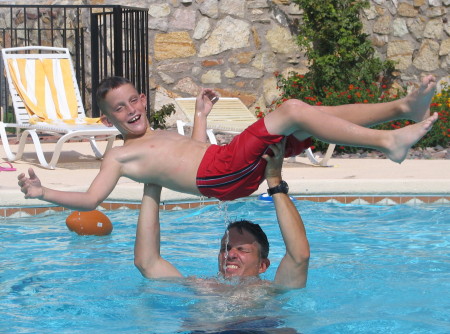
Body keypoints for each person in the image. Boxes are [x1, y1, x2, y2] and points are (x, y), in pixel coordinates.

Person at [17, 75, 438, 208]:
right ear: (107, 118)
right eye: (119, 109)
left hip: (224, 168)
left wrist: (200, 117)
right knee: (290, 108)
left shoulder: (160, 133)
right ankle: (389, 143)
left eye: (133, 101)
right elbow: (92, 200)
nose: (130, 111)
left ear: (143, 99)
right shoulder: (120, 154)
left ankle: (402, 108)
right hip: (221, 174)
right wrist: (40, 192)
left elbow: (197, 153)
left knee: (310, 120)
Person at [134, 139, 310, 289]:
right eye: (224, 248)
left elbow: (299, 255)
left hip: (257, 330)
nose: (230, 254)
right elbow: (147, 262)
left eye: (242, 249)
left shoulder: (271, 293)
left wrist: (274, 181)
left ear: (262, 265)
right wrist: (153, 180)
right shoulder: (203, 287)